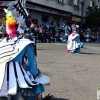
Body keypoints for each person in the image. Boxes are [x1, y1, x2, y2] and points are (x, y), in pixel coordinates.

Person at [0, 1, 50, 100]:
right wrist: (34, 74)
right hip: (19, 80)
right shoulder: (26, 42)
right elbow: (33, 68)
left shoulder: (2, 41)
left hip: (1, 79)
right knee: (35, 80)